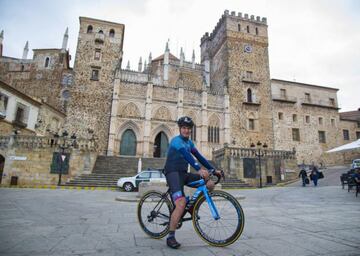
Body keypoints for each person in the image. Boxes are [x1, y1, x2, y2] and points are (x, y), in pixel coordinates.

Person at [163, 116, 221, 249]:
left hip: (183, 174)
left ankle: (192, 206)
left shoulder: (190, 143)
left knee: (209, 183)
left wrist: (213, 169)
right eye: (184, 128)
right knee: (181, 202)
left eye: (188, 128)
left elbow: (199, 156)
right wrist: (199, 169)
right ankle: (170, 236)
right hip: (172, 173)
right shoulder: (176, 141)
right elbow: (187, 156)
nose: (186, 131)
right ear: (180, 129)